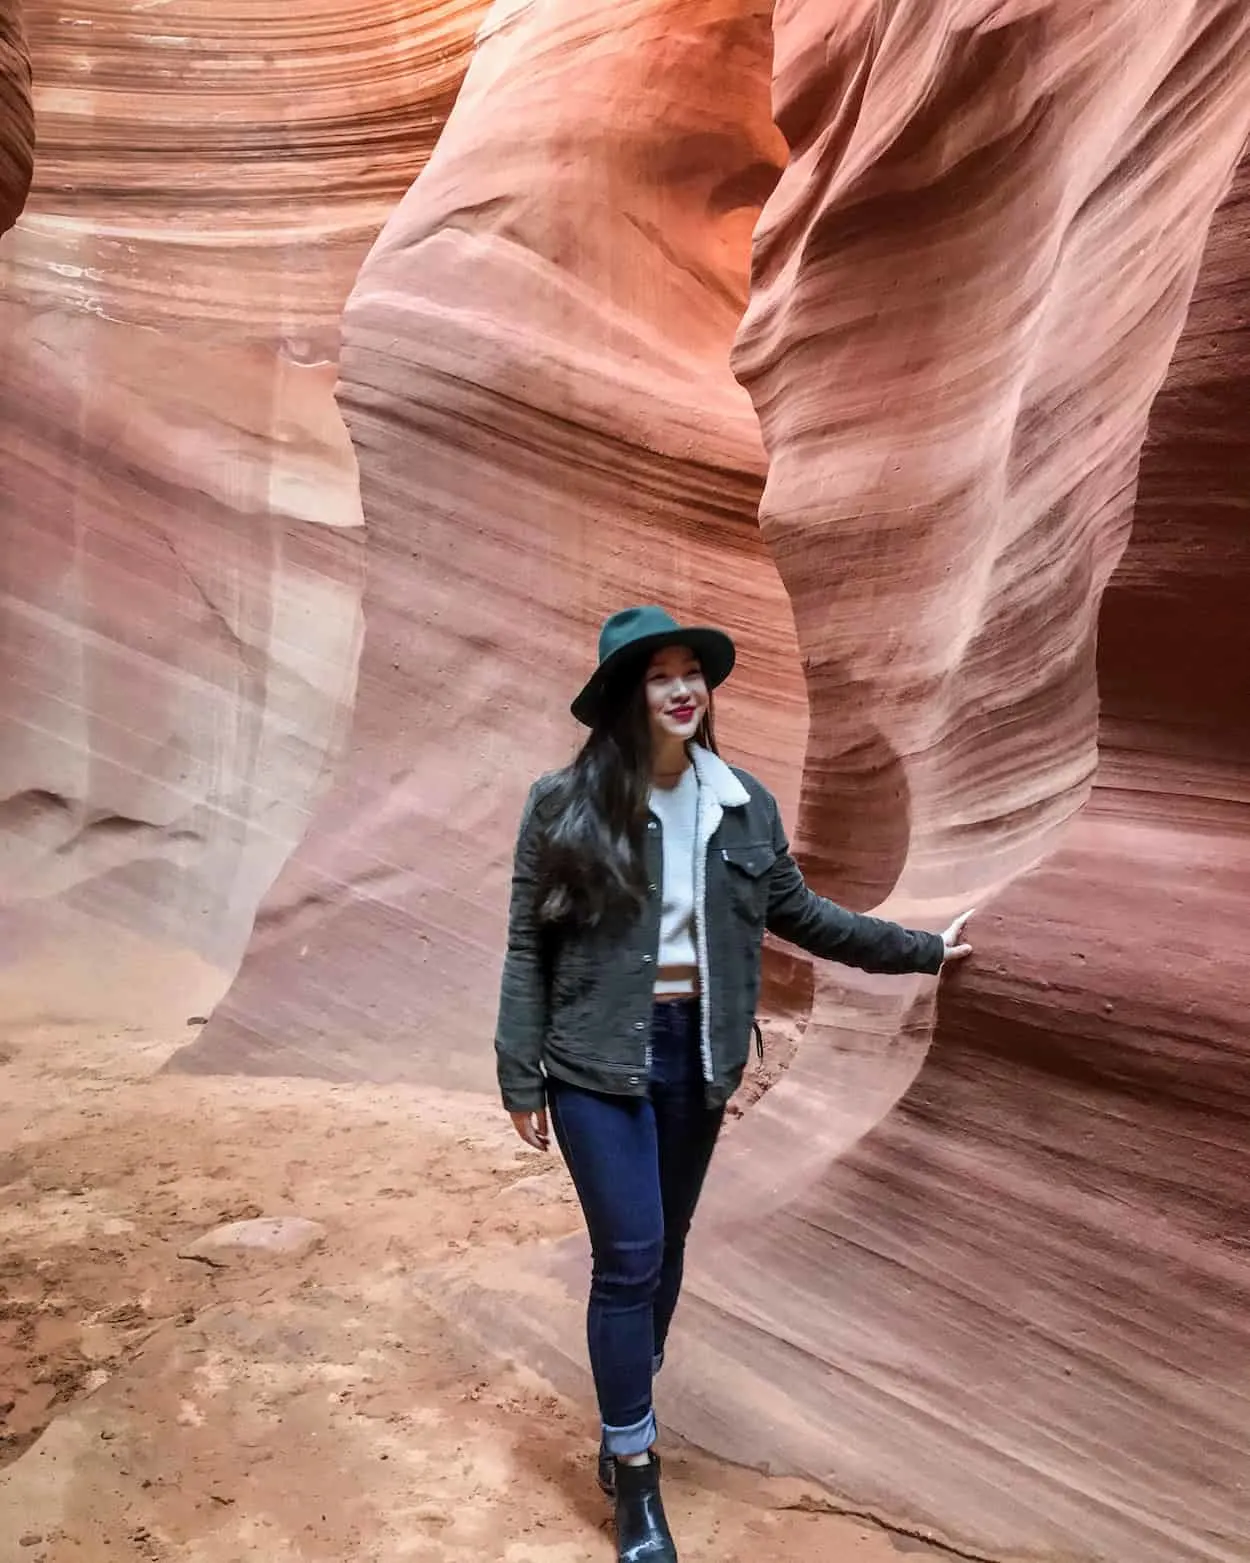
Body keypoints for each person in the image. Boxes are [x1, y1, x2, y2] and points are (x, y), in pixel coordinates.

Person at [494, 605, 974, 1563]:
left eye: (691, 673)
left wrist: (924, 949)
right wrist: (520, 1068)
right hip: (596, 1058)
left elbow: (804, 914)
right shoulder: (564, 803)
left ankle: (622, 1406)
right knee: (627, 1255)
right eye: (657, 675)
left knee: (664, 1249)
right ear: (626, 697)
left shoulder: (740, 802)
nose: (681, 689)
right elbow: (528, 941)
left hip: (698, 1057)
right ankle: (636, 1469)